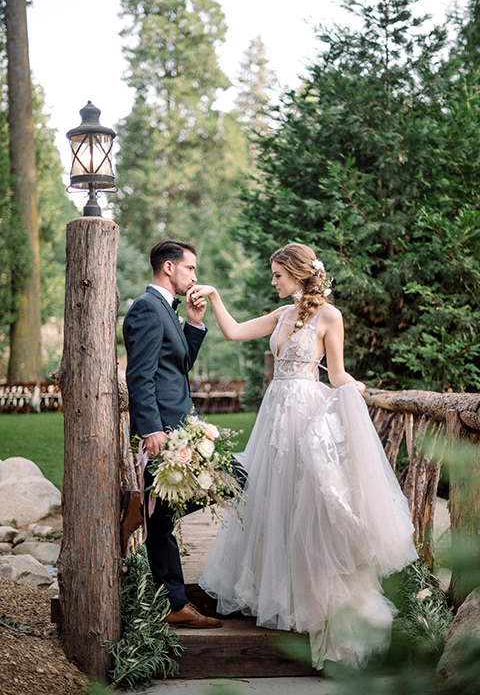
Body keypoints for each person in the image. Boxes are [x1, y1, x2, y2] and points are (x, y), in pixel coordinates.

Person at [190, 243, 418, 667]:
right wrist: (216, 297)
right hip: (275, 411)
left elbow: (335, 373)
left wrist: (354, 389)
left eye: (278, 274)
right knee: (270, 498)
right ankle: (275, 593)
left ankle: (316, 600)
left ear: (298, 274)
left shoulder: (329, 316)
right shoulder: (281, 315)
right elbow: (235, 331)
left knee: (307, 502)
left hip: (306, 413)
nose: (273, 281)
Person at [122, 238, 222, 628]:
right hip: (163, 432)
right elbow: (140, 375)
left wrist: (194, 323)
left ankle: (175, 602)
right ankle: (175, 603)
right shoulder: (146, 309)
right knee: (235, 481)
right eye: (190, 269)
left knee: (163, 517)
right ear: (169, 268)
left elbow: (177, 367)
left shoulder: (167, 310)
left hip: (180, 427)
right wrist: (150, 429)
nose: (194, 276)